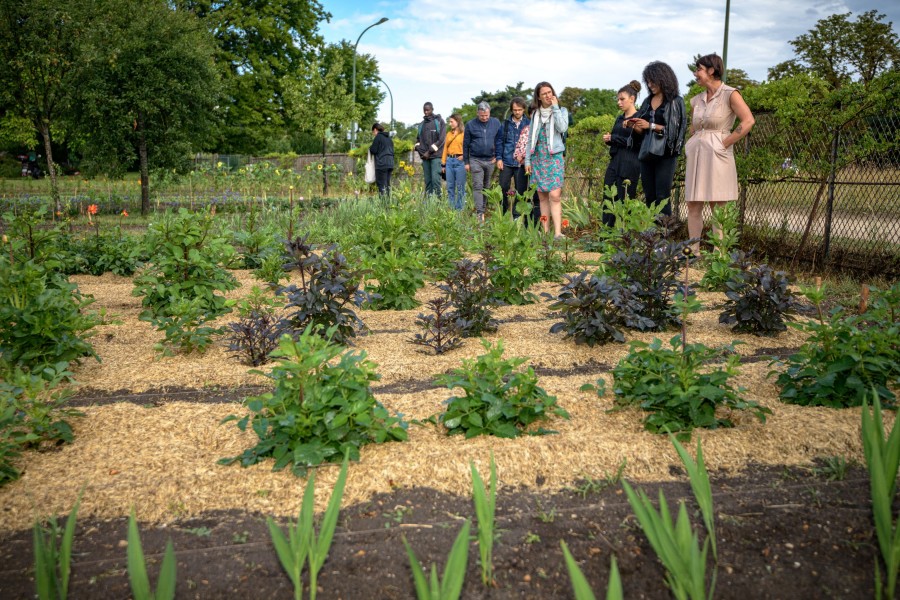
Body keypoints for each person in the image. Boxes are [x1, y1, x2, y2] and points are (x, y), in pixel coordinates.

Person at [684, 53, 755, 253]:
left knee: (718, 205)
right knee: (692, 203)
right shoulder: (696, 100)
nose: (695, 73)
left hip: (717, 154)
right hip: (697, 154)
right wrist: (692, 143)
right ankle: (693, 252)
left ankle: (719, 253)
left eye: (698, 69)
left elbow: (748, 121)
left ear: (712, 71)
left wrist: (724, 143)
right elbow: (693, 127)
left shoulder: (730, 94)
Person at [627, 61, 687, 216]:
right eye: (647, 80)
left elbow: (675, 131)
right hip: (647, 154)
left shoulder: (675, 101)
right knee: (650, 197)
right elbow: (643, 130)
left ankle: (664, 235)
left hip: (666, 155)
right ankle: (651, 237)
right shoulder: (647, 101)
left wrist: (651, 126)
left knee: (662, 196)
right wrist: (635, 126)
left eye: (652, 80)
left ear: (663, 79)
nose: (649, 84)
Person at [524, 82, 569, 238]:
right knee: (542, 197)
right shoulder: (535, 114)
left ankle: (558, 232)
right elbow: (530, 139)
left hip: (554, 157)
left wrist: (555, 108)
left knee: (555, 195)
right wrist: (527, 161)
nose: (548, 95)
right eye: (544, 94)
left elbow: (563, 128)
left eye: (550, 92)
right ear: (539, 97)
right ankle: (545, 232)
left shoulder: (562, 111)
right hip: (538, 158)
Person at [602, 81, 644, 226]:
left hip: (630, 162)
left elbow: (636, 142)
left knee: (625, 199)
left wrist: (615, 138)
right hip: (615, 161)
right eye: (618, 99)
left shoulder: (639, 118)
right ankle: (606, 234)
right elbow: (617, 138)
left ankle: (625, 236)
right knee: (608, 196)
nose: (619, 102)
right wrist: (609, 139)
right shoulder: (619, 118)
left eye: (622, 99)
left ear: (632, 99)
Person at [463, 101, 503, 221]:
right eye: (482, 116)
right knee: (478, 186)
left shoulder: (496, 123)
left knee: (486, 186)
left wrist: (498, 156)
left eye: (486, 115)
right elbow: (466, 144)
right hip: (476, 160)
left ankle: (483, 209)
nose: (484, 118)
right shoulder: (470, 125)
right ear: (477, 113)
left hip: (490, 160)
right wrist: (466, 162)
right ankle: (480, 214)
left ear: (489, 112)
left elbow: (499, 140)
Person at [498, 97, 530, 217]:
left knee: (520, 190)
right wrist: (499, 158)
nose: (517, 112)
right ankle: (504, 213)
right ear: (512, 110)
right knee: (503, 187)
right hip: (506, 161)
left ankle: (517, 215)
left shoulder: (529, 124)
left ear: (523, 110)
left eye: (519, 110)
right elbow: (500, 142)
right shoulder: (505, 125)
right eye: (515, 110)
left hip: (521, 163)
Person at [415, 102, 446, 198]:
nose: (426, 112)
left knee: (435, 180)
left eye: (428, 110)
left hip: (436, 156)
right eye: (424, 110)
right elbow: (418, 140)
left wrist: (429, 152)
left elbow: (441, 140)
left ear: (432, 109)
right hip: (425, 158)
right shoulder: (421, 125)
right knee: (428, 181)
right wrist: (420, 152)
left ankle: (438, 203)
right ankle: (428, 205)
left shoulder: (439, 122)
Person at [441, 113, 466, 210]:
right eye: (449, 122)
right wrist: (443, 164)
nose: (450, 123)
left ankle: (459, 210)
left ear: (457, 122)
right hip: (449, 161)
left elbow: (468, 147)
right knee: (450, 187)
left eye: (452, 121)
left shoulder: (464, 134)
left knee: (460, 187)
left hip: (459, 162)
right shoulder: (448, 134)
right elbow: (444, 149)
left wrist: (464, 156)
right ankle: (451, 210)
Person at [369, 122, 394, 196]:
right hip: (390, 163)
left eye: (373, 132)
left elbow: (373, 150)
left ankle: (383, 204)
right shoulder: (388, 138)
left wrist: (370, 148)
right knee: (387, 184)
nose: (373, 134)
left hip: (381, 163)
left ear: (375, 130)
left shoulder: (378, 137)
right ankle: (388, 203)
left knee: (381, 185)